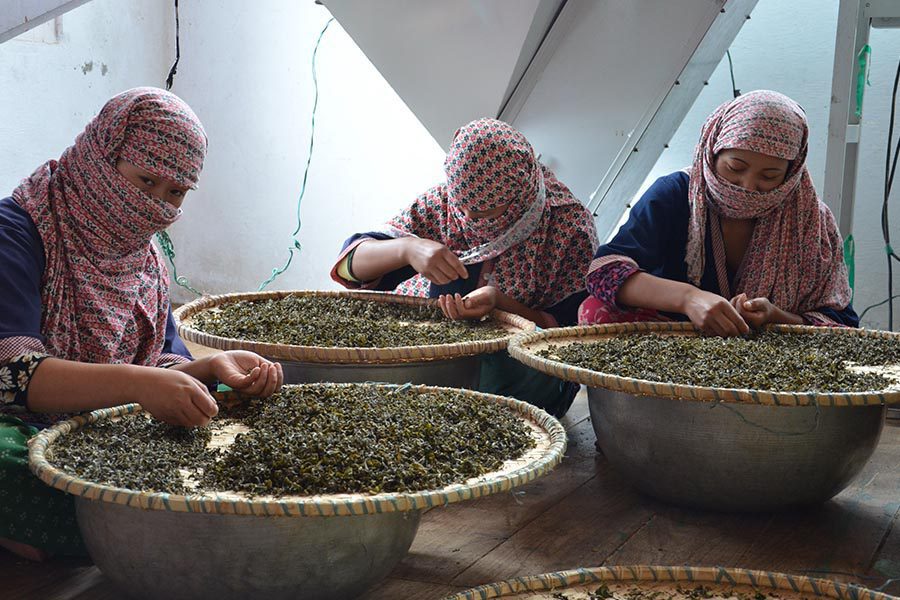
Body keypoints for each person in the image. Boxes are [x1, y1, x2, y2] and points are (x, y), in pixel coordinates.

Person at [0, 88, 284, 561]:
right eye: (145, 180)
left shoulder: (145, 258)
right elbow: (10, 376)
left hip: (92, 424)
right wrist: (140, 385)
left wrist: (215, 370)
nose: (156, 203)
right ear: (102, 157)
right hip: (13, 422)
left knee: (237, 431)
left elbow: (161, 366)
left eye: (175, 192)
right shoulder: (18, 231)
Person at [331, 118, 599, 416]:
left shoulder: (568, 227)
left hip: (521, 368)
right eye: (463, 206)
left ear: (519, 194)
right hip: (433, 353)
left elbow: (570, 337)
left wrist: (500, 305)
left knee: (484, 379)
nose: (470, 217)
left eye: (486, 211)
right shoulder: (443, 205)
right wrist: (408, 249)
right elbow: (350, 267)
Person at [579, 90, 857, 334]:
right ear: (712, 152)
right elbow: (605, 271)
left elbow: (841, 324)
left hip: (766, 354)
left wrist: (775, 317)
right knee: (595, 312)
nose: (748, 187)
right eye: (735, 168)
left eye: (770, 176)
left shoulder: (810, 220)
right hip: (674, 342)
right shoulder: (675, 195)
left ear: (792, 172)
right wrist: (688, 298)